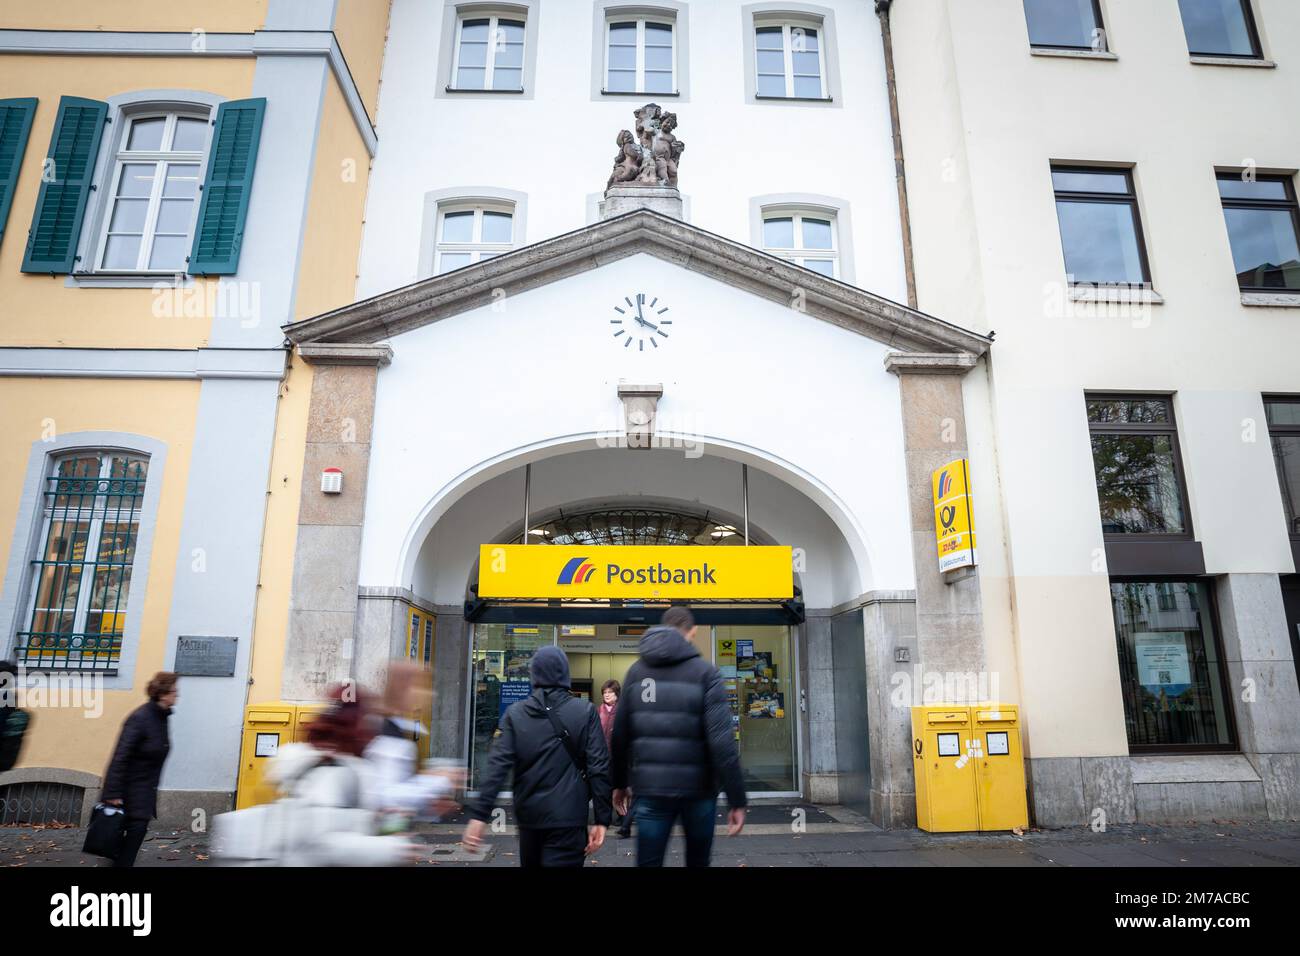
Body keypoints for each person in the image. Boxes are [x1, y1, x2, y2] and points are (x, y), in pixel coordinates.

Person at [610, 607, 746, 867]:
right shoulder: (707, 674)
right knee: (698, 861)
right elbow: (722, 743)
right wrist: (736, 799)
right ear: (691, 632)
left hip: (651, 789)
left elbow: (620, 736)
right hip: (699, 790)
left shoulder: (637, 673)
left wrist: (618, 783)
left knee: (648, 861)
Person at [462, 646, 612, 867]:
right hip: (569, 817)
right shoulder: (585, 712)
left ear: (534, 675)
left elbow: (498, 767)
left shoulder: (515, 714)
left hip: (529, 819)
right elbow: (598, 767)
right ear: (564, 674)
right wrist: (602, 818)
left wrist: (479, 815)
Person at [263, 685, 420, 866]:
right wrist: (392, 850)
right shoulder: (333, 770)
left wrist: (380, 820)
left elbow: (339, 820)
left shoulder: (310, 761)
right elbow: (321, 841)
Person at [363, 661, 464, 827]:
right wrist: (441, 781)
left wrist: (431, 801)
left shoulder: (394, 726)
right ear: (403, 689)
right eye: (422, 686)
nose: (430, 694)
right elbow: (387, 796)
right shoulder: (387, 733)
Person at [101, 672, 177, 867]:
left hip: (143, 791)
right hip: (128, 792)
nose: (177, 695)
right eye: (174, 691)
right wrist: (113, 793)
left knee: (131, 839)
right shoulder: (141, 718)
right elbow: (120, 756)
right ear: (162, 694)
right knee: (128, 840)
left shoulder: (160, 717)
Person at [598, 679, 633, 838]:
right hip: (603, 756)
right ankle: (608, 818)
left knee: (619, 788)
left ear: (617, 694)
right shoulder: (599, 710)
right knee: (604, 789)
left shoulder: (622, 710)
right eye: (605, 692)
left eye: (610, 692)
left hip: (619, 756)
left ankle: (623, 818)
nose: (607, 695)